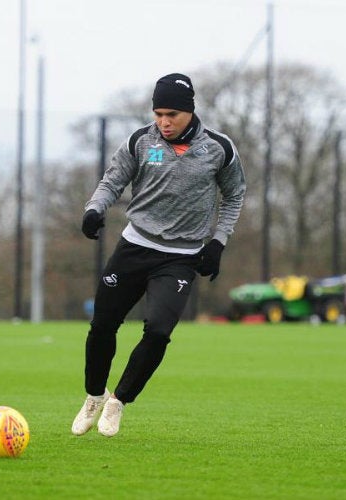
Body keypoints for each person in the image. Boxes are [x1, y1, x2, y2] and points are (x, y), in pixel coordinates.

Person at [71, 73, 246, 437]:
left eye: (172, 115)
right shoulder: (140, 140)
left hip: (180, 257)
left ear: (190, 112)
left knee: (158, 331)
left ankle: (118, 401)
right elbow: (113, 180)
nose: (164, 122)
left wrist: (218, 242)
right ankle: (93, 395)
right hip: (134, 246)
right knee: (102, 325)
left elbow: (234, 196)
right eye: (158, 114)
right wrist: (94, 209)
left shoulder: (219, 148)